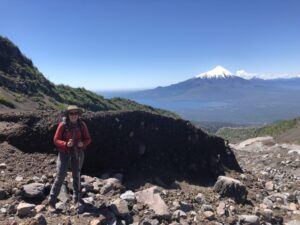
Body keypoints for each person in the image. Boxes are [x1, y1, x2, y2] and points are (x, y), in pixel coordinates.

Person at [48, 105, 91, 212]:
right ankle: (51, 202)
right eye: (71, 113)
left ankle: (76, 199)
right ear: (68, 115)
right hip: (64, 153)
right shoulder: (63, 125)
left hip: (78, 153)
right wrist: (66, 144)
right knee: (60, 176)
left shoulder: (82, 125)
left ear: (78, 114)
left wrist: (83, 143)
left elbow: (88, 138)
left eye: (76, 113)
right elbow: (56, 139)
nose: (73, 116)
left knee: (76, 175)